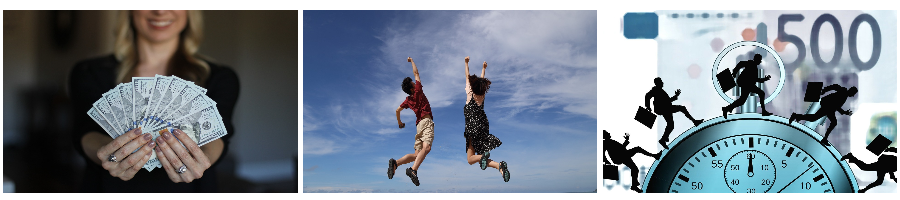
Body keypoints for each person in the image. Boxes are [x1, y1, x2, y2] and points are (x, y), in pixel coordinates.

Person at [69, 10, 239, 192]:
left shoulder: (219, 77)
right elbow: (85, 131)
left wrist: (202, 158)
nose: (160, 10)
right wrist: (108, 152)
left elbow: (219, 134)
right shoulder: (89, 71)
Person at [387, 57, 435, 186]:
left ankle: (396, 163)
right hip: (426, 122)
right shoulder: (418, 91)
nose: (415, 83)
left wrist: (399, 123)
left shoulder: (408, 100)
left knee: (417, 155)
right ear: (413, 88)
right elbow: (416, 73)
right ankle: (413, 170)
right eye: (413, 84)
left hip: (419, 125)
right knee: (427, 147)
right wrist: (412, 61)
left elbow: (397, 110)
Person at [461, 56, 509, 182]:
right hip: (483, 126)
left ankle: (483, 156)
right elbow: (480, 80)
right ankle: (499, 166)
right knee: (479, 161)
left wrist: (466, 63)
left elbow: (467, 75)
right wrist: (483, 68)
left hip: (472, 127)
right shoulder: (481, 95)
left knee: (470, 159)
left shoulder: (470, 92)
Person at [788, 84, 857, 145]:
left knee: (815, 118)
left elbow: (837, 106)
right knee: (830, 122)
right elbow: (835, 87)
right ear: (851, 91)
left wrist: (845, 112)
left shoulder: (844, 96)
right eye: (853, 93)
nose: (853, 95)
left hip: (830, 107)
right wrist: (824, 90)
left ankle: (797, 116)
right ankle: (796, 116)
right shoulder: (843, 91)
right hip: (828, 106)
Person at [645, 77, 703, 149]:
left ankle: (664, 139)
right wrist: (648, 106)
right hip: (663, 109)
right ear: (658, 83)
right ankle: (694, 122)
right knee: (681, 109)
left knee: (671, 125)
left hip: (665, 108)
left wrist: (676, 96)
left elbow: (667, 101)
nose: (662, 83)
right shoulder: (656, 90)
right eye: (661, 82)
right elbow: (647, 96)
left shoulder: (660, 91)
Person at [722, 54, 773, 119]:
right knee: (760, 93)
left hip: (748, 84)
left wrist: (764, 79)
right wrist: (735, 71)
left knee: (742, 100)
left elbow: (755, 79)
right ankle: (764, 111)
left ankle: (727, 108)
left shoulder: (754, 67)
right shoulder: (751, 63)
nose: (760, 61)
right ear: (757, 59)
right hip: (746, 84)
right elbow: (741, 63)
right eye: (759, 60)